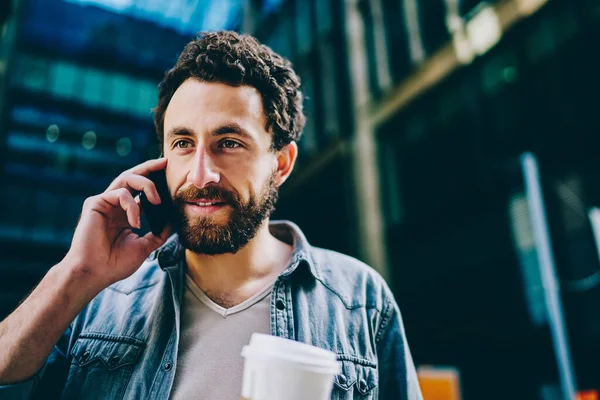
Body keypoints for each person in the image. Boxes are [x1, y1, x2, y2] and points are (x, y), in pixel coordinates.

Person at [0, 31, 422, 400]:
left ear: (282, 163)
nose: (201, 174)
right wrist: (75, 274)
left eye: (229, 142)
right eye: (183, 143)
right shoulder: (100, 300)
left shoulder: (361, 302)